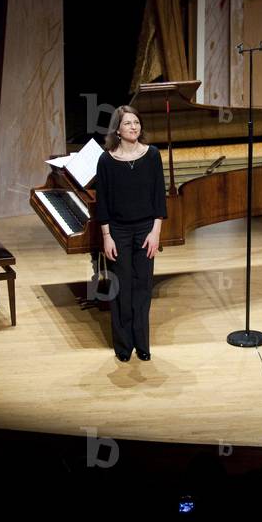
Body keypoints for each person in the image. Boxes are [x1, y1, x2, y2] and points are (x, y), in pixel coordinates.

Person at [95, 105, 167, 362]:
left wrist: (155, 232)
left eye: (136, 122)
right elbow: (102, 203)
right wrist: (107, 236)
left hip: (146, 230)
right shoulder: (106, 160)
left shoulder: (152, 155)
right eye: (128, 123)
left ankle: (142, 344)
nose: (134, 127)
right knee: (121, 288)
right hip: (118, 231)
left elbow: (159, 197)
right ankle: (123, 346)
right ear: (117, 129)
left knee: (143, 287)